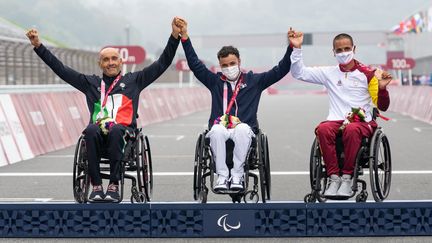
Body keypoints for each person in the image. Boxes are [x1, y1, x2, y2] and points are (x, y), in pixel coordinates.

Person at [26, 19, 181, 202]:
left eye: (114, 59)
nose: (110, 63)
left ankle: (114, 185)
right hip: (97, 135)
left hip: (124, 134)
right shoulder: (90, 83)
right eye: (106, 60)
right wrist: (38, 46)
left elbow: (162, 63)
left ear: (121, 62)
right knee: (90, 129)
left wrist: (174, 37)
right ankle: (97, 186)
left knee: (116, 129)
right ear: (100, 64)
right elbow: (60, 69)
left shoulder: (135, 80)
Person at [175, 18, 293, 191]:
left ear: (239, 62)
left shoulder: (254, 81)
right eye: (224, 65)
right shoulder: (214, 82)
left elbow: (281, 69)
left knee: (243, 129)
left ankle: (237, 175)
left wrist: (292, 48)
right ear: (220, 66)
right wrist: (184, 37)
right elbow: (194, 63)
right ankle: (222, 176)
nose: (229, 67)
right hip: (221, 129)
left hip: (244, 129)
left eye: (232, 63)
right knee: (215, 131)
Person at [288, 29, 392, 197]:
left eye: (346, 49)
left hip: (361, 122)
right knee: (323, 129)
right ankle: (334, 177)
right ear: (334, 52)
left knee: (351, 130)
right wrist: (297, 48)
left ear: (354, 49)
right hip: (336, 120)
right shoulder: (329, 73)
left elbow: (383, 106)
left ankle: (347, 177)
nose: (343, 53)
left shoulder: (368, 74)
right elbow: (299, 73)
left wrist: (382, 89)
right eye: (339, 50)